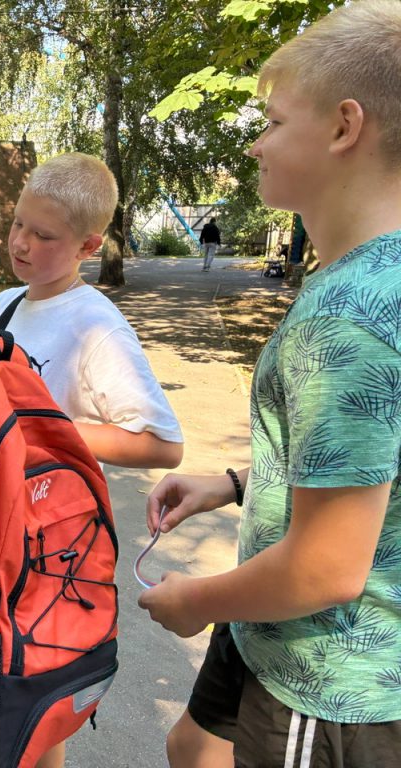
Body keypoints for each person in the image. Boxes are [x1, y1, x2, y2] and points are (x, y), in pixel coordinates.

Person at [139, 2, 401, 766]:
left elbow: (326, 567)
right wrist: (232, 484)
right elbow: (369, 459)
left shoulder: (347, 319)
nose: (256, 143)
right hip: (273, 628)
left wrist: (195, 601)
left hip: (325, 672)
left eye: (276, 122)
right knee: (191, 746)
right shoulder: (374, 278)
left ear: (344, 127)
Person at [0, 153, 183, 471]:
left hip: (44, 499)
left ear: (87, 247)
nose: (19, 243)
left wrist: (36, 427)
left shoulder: (98, 328)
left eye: (42, 235)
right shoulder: (2, 305)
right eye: (18, 223)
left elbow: (163, 445)